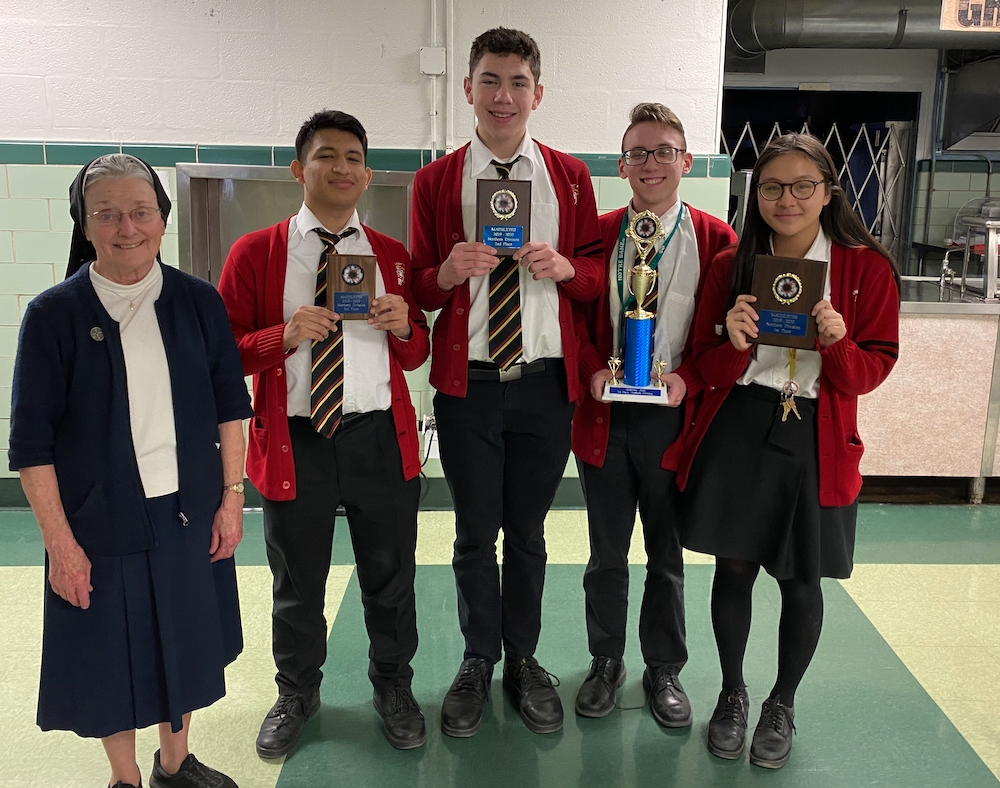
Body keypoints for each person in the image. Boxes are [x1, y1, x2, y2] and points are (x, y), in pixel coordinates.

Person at [9, 153, 252, 788]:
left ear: (162, 220)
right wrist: (59, 543)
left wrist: (231, 497)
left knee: (186, 643)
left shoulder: (198, 303)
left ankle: (175, 764)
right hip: (96, 520)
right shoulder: (53, 316)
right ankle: (125, 778)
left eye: (141, 211)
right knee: (108, 659)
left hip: (187, 511)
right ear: (84, 226)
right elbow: (31, 444)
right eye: (107, 214)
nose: (127, 227)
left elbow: (232, 407)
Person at [678, 133, 900, 768]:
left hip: (816, 434)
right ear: (757, 194)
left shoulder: (865, 267)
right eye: (772, 187)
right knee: (734, 570)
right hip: (742, 426)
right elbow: (707, 368)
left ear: (828, 192)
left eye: (804, 185)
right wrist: (737, 341)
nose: (787, 199)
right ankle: (731, 693)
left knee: (804, 580)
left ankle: (782, 702)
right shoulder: (731, 266)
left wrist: (836, 342)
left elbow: (867, 374)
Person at [409, 27, 603, 737]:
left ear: (538, 94)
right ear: (468, 89)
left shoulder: (571, 177)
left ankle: (524, 659)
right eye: (490, 80)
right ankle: (475, 658)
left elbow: (595, 279)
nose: (503, 95)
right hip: (470, 384)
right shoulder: (436, 182)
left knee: (526, 533)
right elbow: (420, 288)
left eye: (518, 81)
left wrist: (566, 270)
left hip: (545, 383)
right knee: (471, 534)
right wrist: (448, 274)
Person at [217, 110, 430, 754]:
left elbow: (417, 352)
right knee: (296, 579)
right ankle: (297, 692)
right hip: (295, 441)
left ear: (367, 176)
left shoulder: (390, 257)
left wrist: (401, 325)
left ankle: (394, 686)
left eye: (353, 159)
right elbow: (223, 354)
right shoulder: (257, 253)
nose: (341, 168)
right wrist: (280, 337)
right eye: (325, 156)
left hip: (377, 440)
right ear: (298, 168)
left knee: (391, 577)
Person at [571, 103, 737, 724]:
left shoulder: (718, 240)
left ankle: (664, 668)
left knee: (666, 554)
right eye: (638, 153)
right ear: (621, 165)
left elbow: (724, 340)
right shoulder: (600, 232)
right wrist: (591, 368)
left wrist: (687, 380)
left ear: (686, 162)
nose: (650, 163)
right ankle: (605, 661)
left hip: (676, 420)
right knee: (606, 553)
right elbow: (576, 318)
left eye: (663, 151)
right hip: (606, 415)